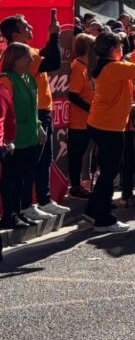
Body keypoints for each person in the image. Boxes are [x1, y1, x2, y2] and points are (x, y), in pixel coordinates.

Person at [85, 26, 135, 232]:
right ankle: (103, 219)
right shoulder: (113, 67)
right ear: (113, 49)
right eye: (120, 45)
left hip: (103, 123)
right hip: (108, 126)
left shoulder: (108, 65)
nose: (123, 48)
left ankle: (93, 211)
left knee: (108, 171)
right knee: (109, 172)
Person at [0, 12, 66, 220]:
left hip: (36, 116)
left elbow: (48, 56)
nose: (31, 28)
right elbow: (53, 61)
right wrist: (54, 35)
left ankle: (38, 201)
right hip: (24, 123)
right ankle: (23, 207)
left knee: (39, 161)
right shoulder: (15, 65)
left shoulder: (27, 64)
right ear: (15, 34)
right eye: (25, 26)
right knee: (23, 168)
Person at [0, 43, 42, 229]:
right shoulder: (7, 80)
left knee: (23, 178)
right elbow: (5, 111)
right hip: (14, 139)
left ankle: (18, 212)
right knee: (12, 177)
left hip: (30, 136)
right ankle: (9, 215)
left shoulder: (29, 78)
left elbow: (34, 108)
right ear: (15, 59)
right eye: (27, 57)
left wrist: (39, 128)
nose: (31, 60)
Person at [67, 33, 96, 198]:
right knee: (77, 154)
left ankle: (81, 184)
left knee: (84, 153)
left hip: (88, 120)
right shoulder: (77, 67)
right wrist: (90, 109)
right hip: (78, 121)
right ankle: (75, 186)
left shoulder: (86, 67)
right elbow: (73, 95)